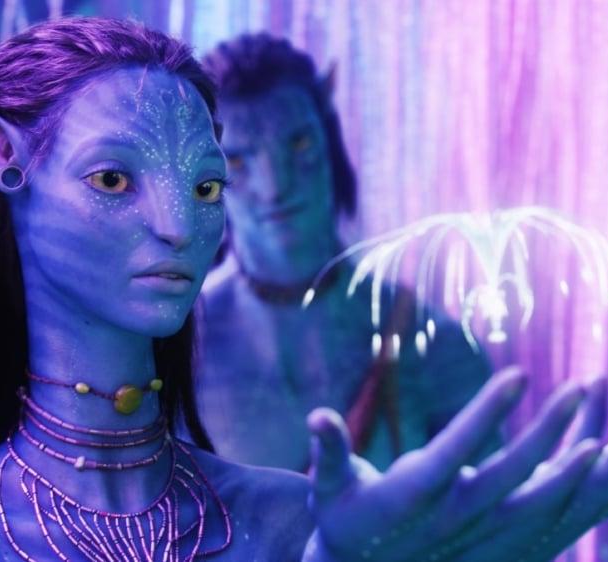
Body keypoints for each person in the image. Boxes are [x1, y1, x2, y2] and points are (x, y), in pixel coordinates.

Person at [0, 17, 608, 562]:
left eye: (203, 184)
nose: (179, 225)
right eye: (113, 179)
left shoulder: (287, 511)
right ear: (1, 160)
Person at [196, 34, 496, 470]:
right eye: (238, 162)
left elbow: (493, 506)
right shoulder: (176, 347)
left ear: (329, 137)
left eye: (298, 144)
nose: (275, 186)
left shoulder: (434, 344)